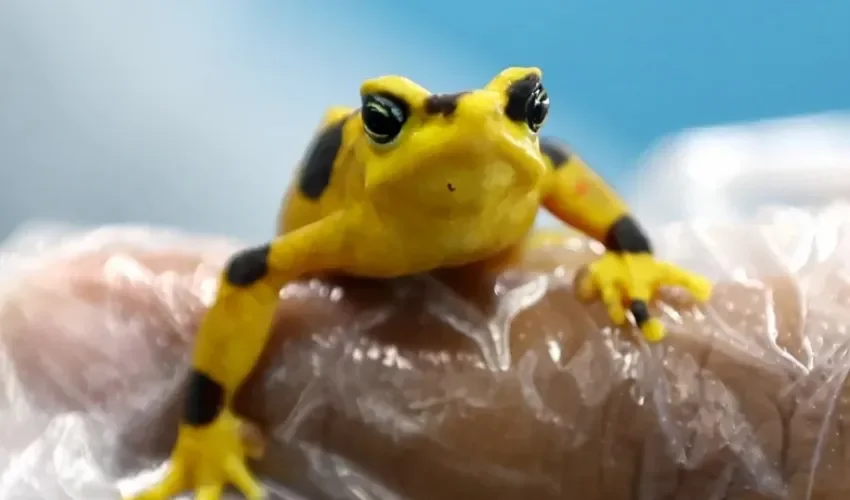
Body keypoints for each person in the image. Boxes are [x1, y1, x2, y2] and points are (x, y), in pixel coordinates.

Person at [0, 208, 848, 500]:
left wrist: (627, 248)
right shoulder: (356, 220)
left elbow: (561, 177)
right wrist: (203, 417)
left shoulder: (521, 171)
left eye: (529, 111)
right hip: (367, 261)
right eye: (385, 118)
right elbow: (252, 275)